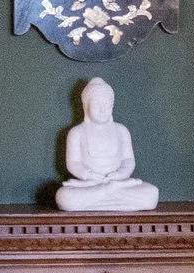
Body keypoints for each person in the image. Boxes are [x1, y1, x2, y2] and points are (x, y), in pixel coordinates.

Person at [56, 77, 159, 211]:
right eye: (97, 105)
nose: (102, 109)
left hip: (118, 182)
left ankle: (105, 193)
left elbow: (128, 160)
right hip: (90, 183)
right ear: (86, 106)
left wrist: (120, 174)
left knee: (151, 194)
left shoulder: (121, 130)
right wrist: (89, 175)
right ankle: (110, 191)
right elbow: (73, 163)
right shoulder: (77, 132)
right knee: (64, 198)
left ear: (112, 106)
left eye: (107, 105)